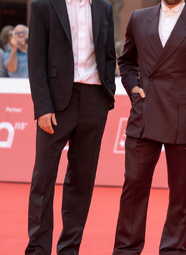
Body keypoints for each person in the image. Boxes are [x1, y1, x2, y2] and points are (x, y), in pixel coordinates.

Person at [113, 0, 186, 254]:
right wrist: (133, 87)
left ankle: (173, 250)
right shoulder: (138, 18)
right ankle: (126, 249)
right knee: (133, 186)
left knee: (180, 194)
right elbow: (126, 62)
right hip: (145, 113)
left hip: (184, 121)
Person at [25, 0, 116, 254]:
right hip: (55, 103)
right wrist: (42, 107)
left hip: (94, 100)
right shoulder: (44, 5)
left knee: (82, 181)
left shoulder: (104, 7)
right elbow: (36, 59)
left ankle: (69, 248)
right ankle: (38, 249)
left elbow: (109, 55)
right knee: (43, 179)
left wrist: (107, 95)